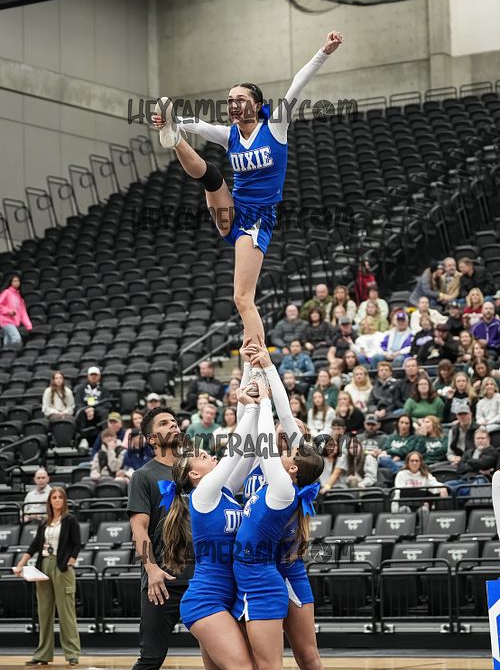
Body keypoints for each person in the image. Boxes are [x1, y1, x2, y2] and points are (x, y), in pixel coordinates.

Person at [155, 32, 343, 347]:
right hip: (231, 211)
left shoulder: (276, 127)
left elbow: (297, 84)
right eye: (230, 100)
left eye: (240, 99)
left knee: (243, 298)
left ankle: (259, 359)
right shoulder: (229, 135)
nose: (233, 104)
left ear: (256, 105)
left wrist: (323, 52)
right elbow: (199, 125)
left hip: (256, 222)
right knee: (211, 176)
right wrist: (171, 120)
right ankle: (173, 138)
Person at [157, 386, 259, 670]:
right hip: (207, 600)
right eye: (203, 457)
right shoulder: (201, 496)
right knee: (245, 668)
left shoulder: (223, 491)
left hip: (230, 595)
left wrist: (250, 392)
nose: (212, 457)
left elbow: (246, 452)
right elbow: (233, 453)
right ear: (194, 474)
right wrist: (251, 407)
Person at [231, 373, 324, 670]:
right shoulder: (259, 459)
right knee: (258, 657)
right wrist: (251, 368)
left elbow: (282, 413)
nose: (287, 429)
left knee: (306, 655)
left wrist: (266, 389)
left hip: (285, 564)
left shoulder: (292, 472)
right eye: (282, 426)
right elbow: (245, 420)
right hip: (256, 567)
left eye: (295, 429)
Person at [127, 407, 193, 670]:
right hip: (162, 580)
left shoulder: (195, 469)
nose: (173, 425)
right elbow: (139, 529)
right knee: (151, 659)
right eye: (164, 423)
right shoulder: (143, 476)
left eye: (174, 421)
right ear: (152, 438)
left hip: (202, 578)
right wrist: (152, 569)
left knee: (222, 654)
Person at [14, 487, 80, 666]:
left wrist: (71, 561)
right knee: (44, 612)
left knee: (66, 613)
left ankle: (72, 653)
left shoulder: (70, 520)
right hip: (43, 566)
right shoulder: (44, 522)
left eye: (60, 497)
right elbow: (35, 545)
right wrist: (21, 564)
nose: (57, 500)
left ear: (64, 500)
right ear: (49, 501)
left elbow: (77, 543)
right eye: (54, 497)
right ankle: (42, 655)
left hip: (62, 568)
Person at [74, 367, 111, 446]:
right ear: (88, 376)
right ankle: (83, 439)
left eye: (95, 375)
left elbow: (107, 403)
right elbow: (78, 402)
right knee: (80, 412)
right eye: (92, 375)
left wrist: (93, 409)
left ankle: (106, 438)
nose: (93, 377)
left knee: (105, 412)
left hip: (99, 410)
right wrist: (87, 409)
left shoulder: (104, 389)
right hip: (85, 410)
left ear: (99, 376)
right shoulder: (80, 389)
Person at [0, 273, 32, 347]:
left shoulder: (19, 297)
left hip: (14, 322)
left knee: (8, 341)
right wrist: (9, 311)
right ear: (10, 282)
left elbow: (23, 313)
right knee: (16, 338)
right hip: (6, 320)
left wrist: (28, 325)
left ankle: (7, 353)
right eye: (14, 281)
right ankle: (13, 351)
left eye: (18, 281)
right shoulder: (7, 292)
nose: (16, 283)